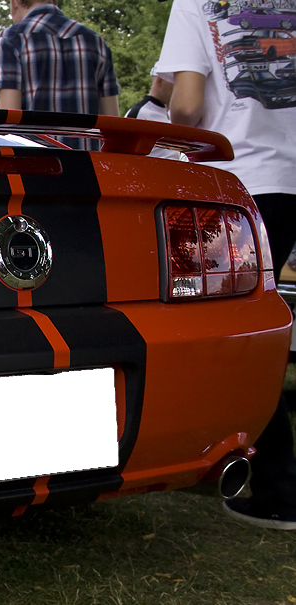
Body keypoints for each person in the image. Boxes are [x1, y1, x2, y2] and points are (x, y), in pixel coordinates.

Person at [156, 0, 296, 530]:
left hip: (246, 178)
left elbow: (187, 106)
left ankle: (280, 488)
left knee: (232, 327)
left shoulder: (195, 4)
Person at [0, 0, 120, 150]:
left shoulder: (9, 40)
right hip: (89, 167)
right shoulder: (97, 42)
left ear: (15, 2)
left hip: (37, 165)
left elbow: (7, 127)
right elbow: (114, 129)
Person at [125, 68, 181, 160]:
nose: (177, 88)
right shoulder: (140, 113)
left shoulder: (169, 114)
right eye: (173, 82)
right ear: (160, 80)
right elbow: (125, 157)